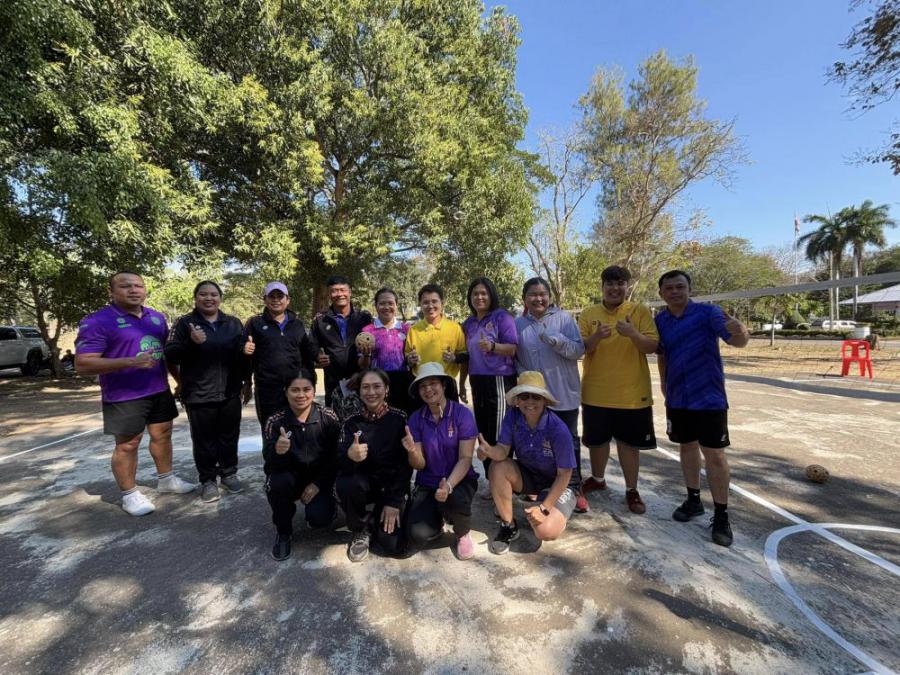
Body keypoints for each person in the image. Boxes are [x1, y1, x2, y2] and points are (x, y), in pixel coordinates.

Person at [75, 271, 195, 516]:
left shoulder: (156, 318)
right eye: (125, 286)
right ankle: (130, 494)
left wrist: (179, 380)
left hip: (158, 389)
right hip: (124, 394)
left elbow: (166, 355)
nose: (133, 290)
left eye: (138, 286)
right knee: (128, 444)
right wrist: (130, 361)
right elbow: (83, 364)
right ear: (111, 291)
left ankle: (166, 479)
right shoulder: (98, 321)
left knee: (163, 435)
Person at [655, 270, 750, 547]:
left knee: (715, 455)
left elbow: (738, 341)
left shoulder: (709, 313)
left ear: (690, 289)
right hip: (678, 398)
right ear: (661, 293)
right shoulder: (660, 320)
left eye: (680, 287)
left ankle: (721, 515)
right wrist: (664, 384)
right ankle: (693, 500)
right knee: (686, 447)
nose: (675, 292)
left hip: (709, 397)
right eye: (669, 288)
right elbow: (662, 355)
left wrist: (740, 330)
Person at [578, 266, 659, 515]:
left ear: (627, 286)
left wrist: (633, 333)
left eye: (620, 283)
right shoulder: (589, 313)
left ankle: (632, 489)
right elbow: (580, 348)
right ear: (602, 287)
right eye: (610, 284)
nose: (615, 288)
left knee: (629, 445)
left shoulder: (639, 311)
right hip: (596, 392)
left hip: (632, 395)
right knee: (597, 442)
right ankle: (598, 479)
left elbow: (652, 346)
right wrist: (596, 337)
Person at [478, 371, 578, 555]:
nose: (530, 401)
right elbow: (503, 450)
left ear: (545, 401)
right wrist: (489, 451)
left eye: (536, 397)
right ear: (517, 400)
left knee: (545, 531)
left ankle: (557, 511)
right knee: (497, 466)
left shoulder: (558, 429)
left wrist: (544, 508)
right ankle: (508, 525)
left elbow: (565, 474)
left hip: (558, 483)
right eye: (524, 396)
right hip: (530, 475)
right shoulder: (512, 416)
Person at [164, 281, 247, 502]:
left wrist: (247, 379)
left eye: (213, 294)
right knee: (204, 441)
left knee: (229, 436)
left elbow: (242, 356)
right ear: (196, 298)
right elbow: (170, 353)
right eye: (203, 294)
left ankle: (229, 474)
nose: (209, 298)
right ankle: (208, 480)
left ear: (220, 298)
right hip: (198, 394)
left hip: (230, 392)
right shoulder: (184, 323)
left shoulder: (233, 323)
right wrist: (192, 343)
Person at [515, 277, 588, 513]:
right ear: (524, 298)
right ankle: (538, 486)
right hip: (534, 399)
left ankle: (574, 488)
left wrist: (556, 340)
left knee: (568, 441)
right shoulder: (518, 324)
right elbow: (517, 359)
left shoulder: (564, 319)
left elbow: (578, 350)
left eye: (542, 294)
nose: (538, 298)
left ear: (549, 296)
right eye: (532, 294)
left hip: (563, 393)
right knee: (535, 442)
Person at [263, 370, 341, 561]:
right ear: (286, 391)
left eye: (306, 389)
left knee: (319, 519)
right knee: (277, 484)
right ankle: (283, 532)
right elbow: (270, 466)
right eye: (295, 390)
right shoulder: (275, 421)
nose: (301, 395)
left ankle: (324, 506)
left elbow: (335, 458)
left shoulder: (328, 417)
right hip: (289, 477)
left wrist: (318, 484)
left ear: (314, 390)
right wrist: (278, 452)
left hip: (318, 479)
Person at [335, 368, 412, 562]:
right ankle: (361, 527)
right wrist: (350, 456)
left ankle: (378, 516)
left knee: (392, 546)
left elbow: (406, 465)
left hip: (392, 487)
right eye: (365, 387)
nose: (371, 392)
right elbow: (340, 464)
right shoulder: (351, 422)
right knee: (345, 484)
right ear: (359, 391)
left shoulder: (400, 419)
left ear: (386, 389)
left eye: (377, 386)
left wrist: (393, 502)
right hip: (364, 486)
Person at [404, 362, 478, 560]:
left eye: (433, 383)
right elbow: (419, 464)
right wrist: (412, 451)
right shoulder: (416, 419)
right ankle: (439, 516)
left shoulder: (462, 414)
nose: (428, 389)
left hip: (460, 480)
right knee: (417, 534)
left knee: (456, 499)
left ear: (444, 385)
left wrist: (449, 485)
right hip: (428, 482)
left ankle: (462, 532)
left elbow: (465, 458)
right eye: (422, 386)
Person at [242, 281, 317, 431]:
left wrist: (311, 381)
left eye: (280, 296)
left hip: (294, 388)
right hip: (267, 389)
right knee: (270, 430)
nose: (276, 300)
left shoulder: (297, 324)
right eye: (272, 296)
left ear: (287, 300)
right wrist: (247, 382)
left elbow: (307, 356)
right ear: (265, 299)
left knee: (297, 430)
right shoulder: (255, 323)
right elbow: (245, 357)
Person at [460, 277, 518, 461]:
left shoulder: (502, 317)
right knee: (483, 432)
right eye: (475, 294)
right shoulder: (468, 323)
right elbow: (467, 356)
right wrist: (462, 384)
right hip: (477, 380)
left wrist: (493, 346)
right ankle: (490, 473)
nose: (479, 297)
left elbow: (513, 349)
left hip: (499, 380)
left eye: (484, 293)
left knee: (499, 434)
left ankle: (503, 473)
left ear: (491, 295)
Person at [311, 275, 372, 404]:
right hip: (333, 382)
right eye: (334, 291)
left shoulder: (364, 318)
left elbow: (373, 350)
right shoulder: (321, 320)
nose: (339, 294)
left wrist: (361, 374)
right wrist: (317, 356)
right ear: (329, 294)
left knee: (363, 415)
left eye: (343, 290)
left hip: (361, 381)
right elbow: (312, 345)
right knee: (334, 415)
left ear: (350, 292)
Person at [404, 284, 466, 400]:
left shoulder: (454, 328)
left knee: (450, 413)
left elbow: (465, 355)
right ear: (420, 305)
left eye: (434, 301)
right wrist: (410, 359)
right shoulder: (413, 330)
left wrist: (455, 358)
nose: (430, 306)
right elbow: (407, 358)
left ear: (442, 303)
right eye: (425, 302)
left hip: (447, 384)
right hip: (422, 385)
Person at [357, 287, 414, 412]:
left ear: (396, 305)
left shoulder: (407, 329)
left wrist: (411, 359)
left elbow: (410, 358)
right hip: (377, 383)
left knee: (402, 417)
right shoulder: (367, 331)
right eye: (382, 303)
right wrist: (366, 355)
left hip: (403, 383)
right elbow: (362, 365)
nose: (386, 307)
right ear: (376, 306)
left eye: (390, 303)